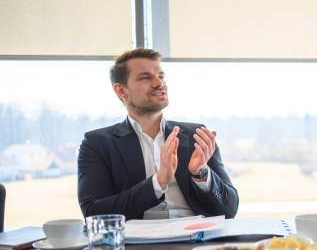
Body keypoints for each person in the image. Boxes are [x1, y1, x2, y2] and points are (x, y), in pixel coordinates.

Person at [78, 48, 238, 220]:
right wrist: (158, 182)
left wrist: (201, 173)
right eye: (146, 77)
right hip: (138, 244)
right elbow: (93, 213)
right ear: (121, 90)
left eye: (161, 76)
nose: (159, 83)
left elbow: (230, 209)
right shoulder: (97, 143)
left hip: (197, 238)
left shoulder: (197, 136)